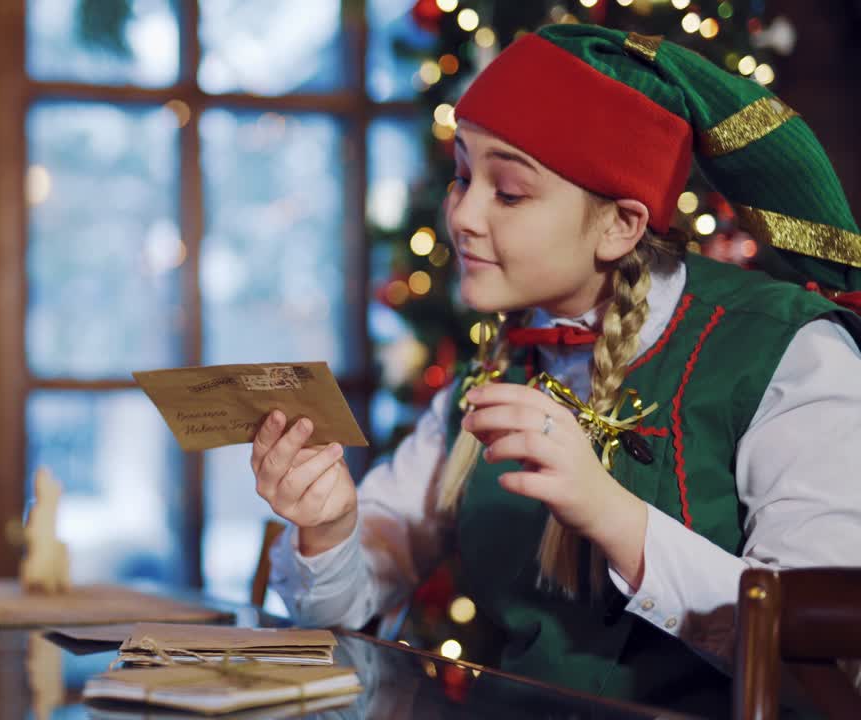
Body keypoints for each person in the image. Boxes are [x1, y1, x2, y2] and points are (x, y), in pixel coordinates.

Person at [252, 23, 861, 715]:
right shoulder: (495, 364)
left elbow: (826, 652)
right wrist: (329, 528)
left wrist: (609, 513)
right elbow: (348, 604)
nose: (463, 216)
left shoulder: (790, 354)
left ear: (620, 225)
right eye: (461, 177)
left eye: (508, 192)